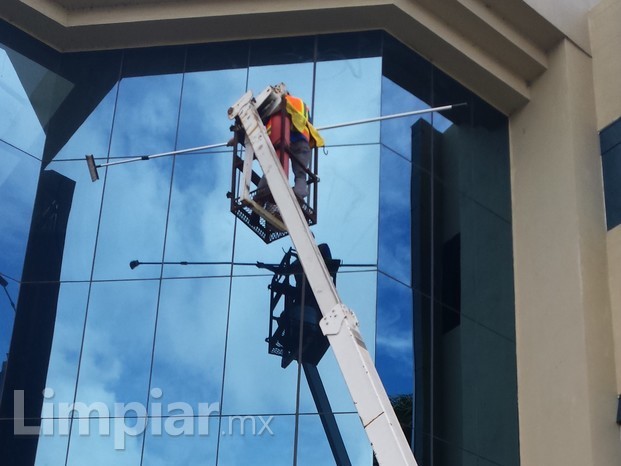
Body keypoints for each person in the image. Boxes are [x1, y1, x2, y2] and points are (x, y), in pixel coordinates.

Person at [258, 83, 324, 212]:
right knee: (300, 176)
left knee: (273, 169)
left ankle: (260, 198)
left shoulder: (282, 102)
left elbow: (269, 116)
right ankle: (298, 198)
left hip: (287, 142)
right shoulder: (300, 103)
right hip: (304, 143)